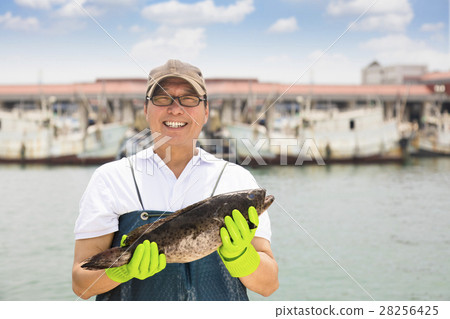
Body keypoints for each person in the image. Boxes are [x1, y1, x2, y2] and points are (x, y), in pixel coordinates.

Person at [72, 59, 279, 301]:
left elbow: (269, 285)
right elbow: (80, 284)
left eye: (189, 99)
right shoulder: (110, 178)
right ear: (146, 110)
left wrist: (242, 257)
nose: (175, 108)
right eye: (162, 98)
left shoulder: (237, 178)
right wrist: (123, 269)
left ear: (206, 111)